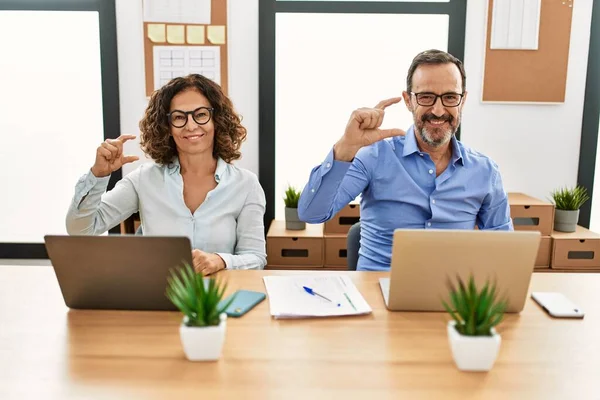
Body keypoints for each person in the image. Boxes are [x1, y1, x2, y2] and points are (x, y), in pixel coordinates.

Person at [298, 49, 513, 272]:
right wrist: (345, 147)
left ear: (462, 100)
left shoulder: (485, 171)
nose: (438, 110)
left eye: (450, 97)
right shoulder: (374, 156)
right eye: (426, 97)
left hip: (450, 299)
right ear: (408, 100)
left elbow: (504, 252)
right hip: (377, 294)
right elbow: (312, 213)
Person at [66, 74, 266, 274]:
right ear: (167, 127)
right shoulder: (144, 179)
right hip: (158, 297)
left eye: (201, 114)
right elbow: (81, 230)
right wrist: (98, 175)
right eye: (179, 117)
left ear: (216, 120)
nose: (191, 125)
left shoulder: (246, 184)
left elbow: (256, 258)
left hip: (219, 299)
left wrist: (221, 261)